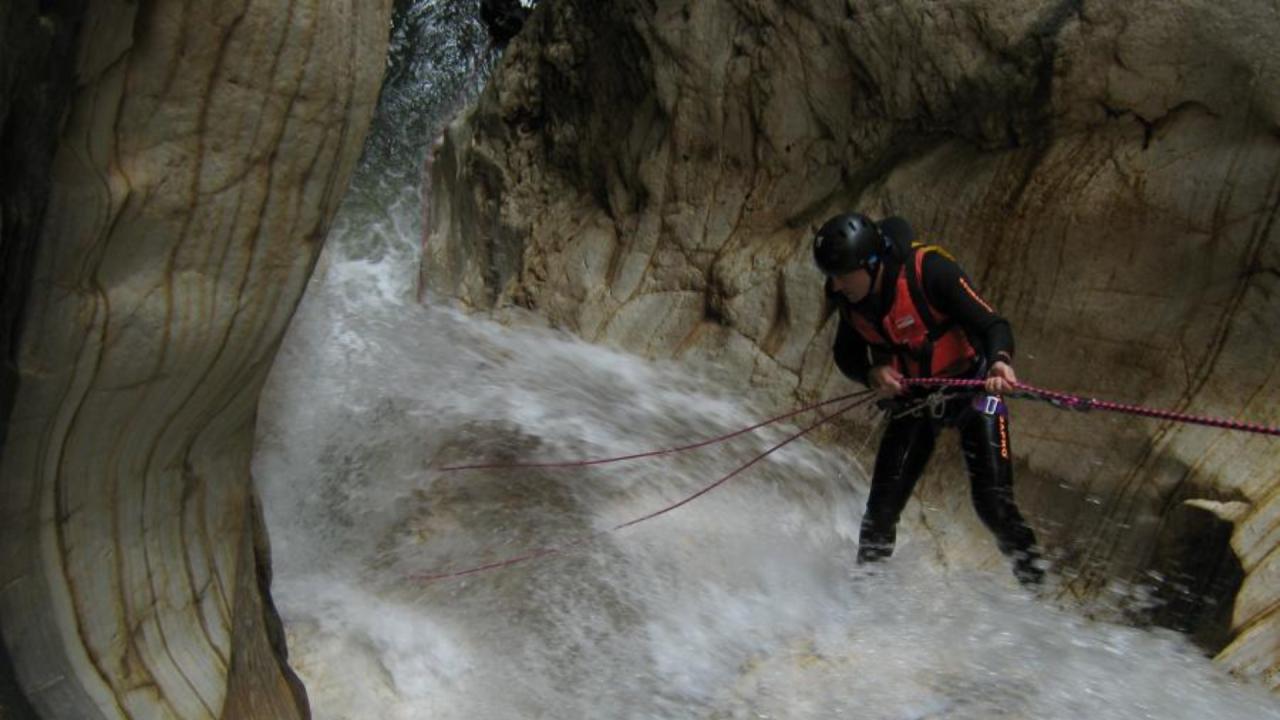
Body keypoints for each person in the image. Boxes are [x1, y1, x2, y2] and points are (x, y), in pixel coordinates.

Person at [813, 212, 1044, 586]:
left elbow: (993, 325)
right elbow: (846, 354)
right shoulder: (851, 300)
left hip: (974, 391)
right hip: (915, 402)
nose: (836, 286)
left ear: (871, 264)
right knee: (880, 514)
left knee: (994, 506)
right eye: (832, 277)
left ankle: (1036, 588)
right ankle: (862, 600)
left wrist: (1000, 363)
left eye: (842, 276)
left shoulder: (930, 271)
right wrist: (872, 375)